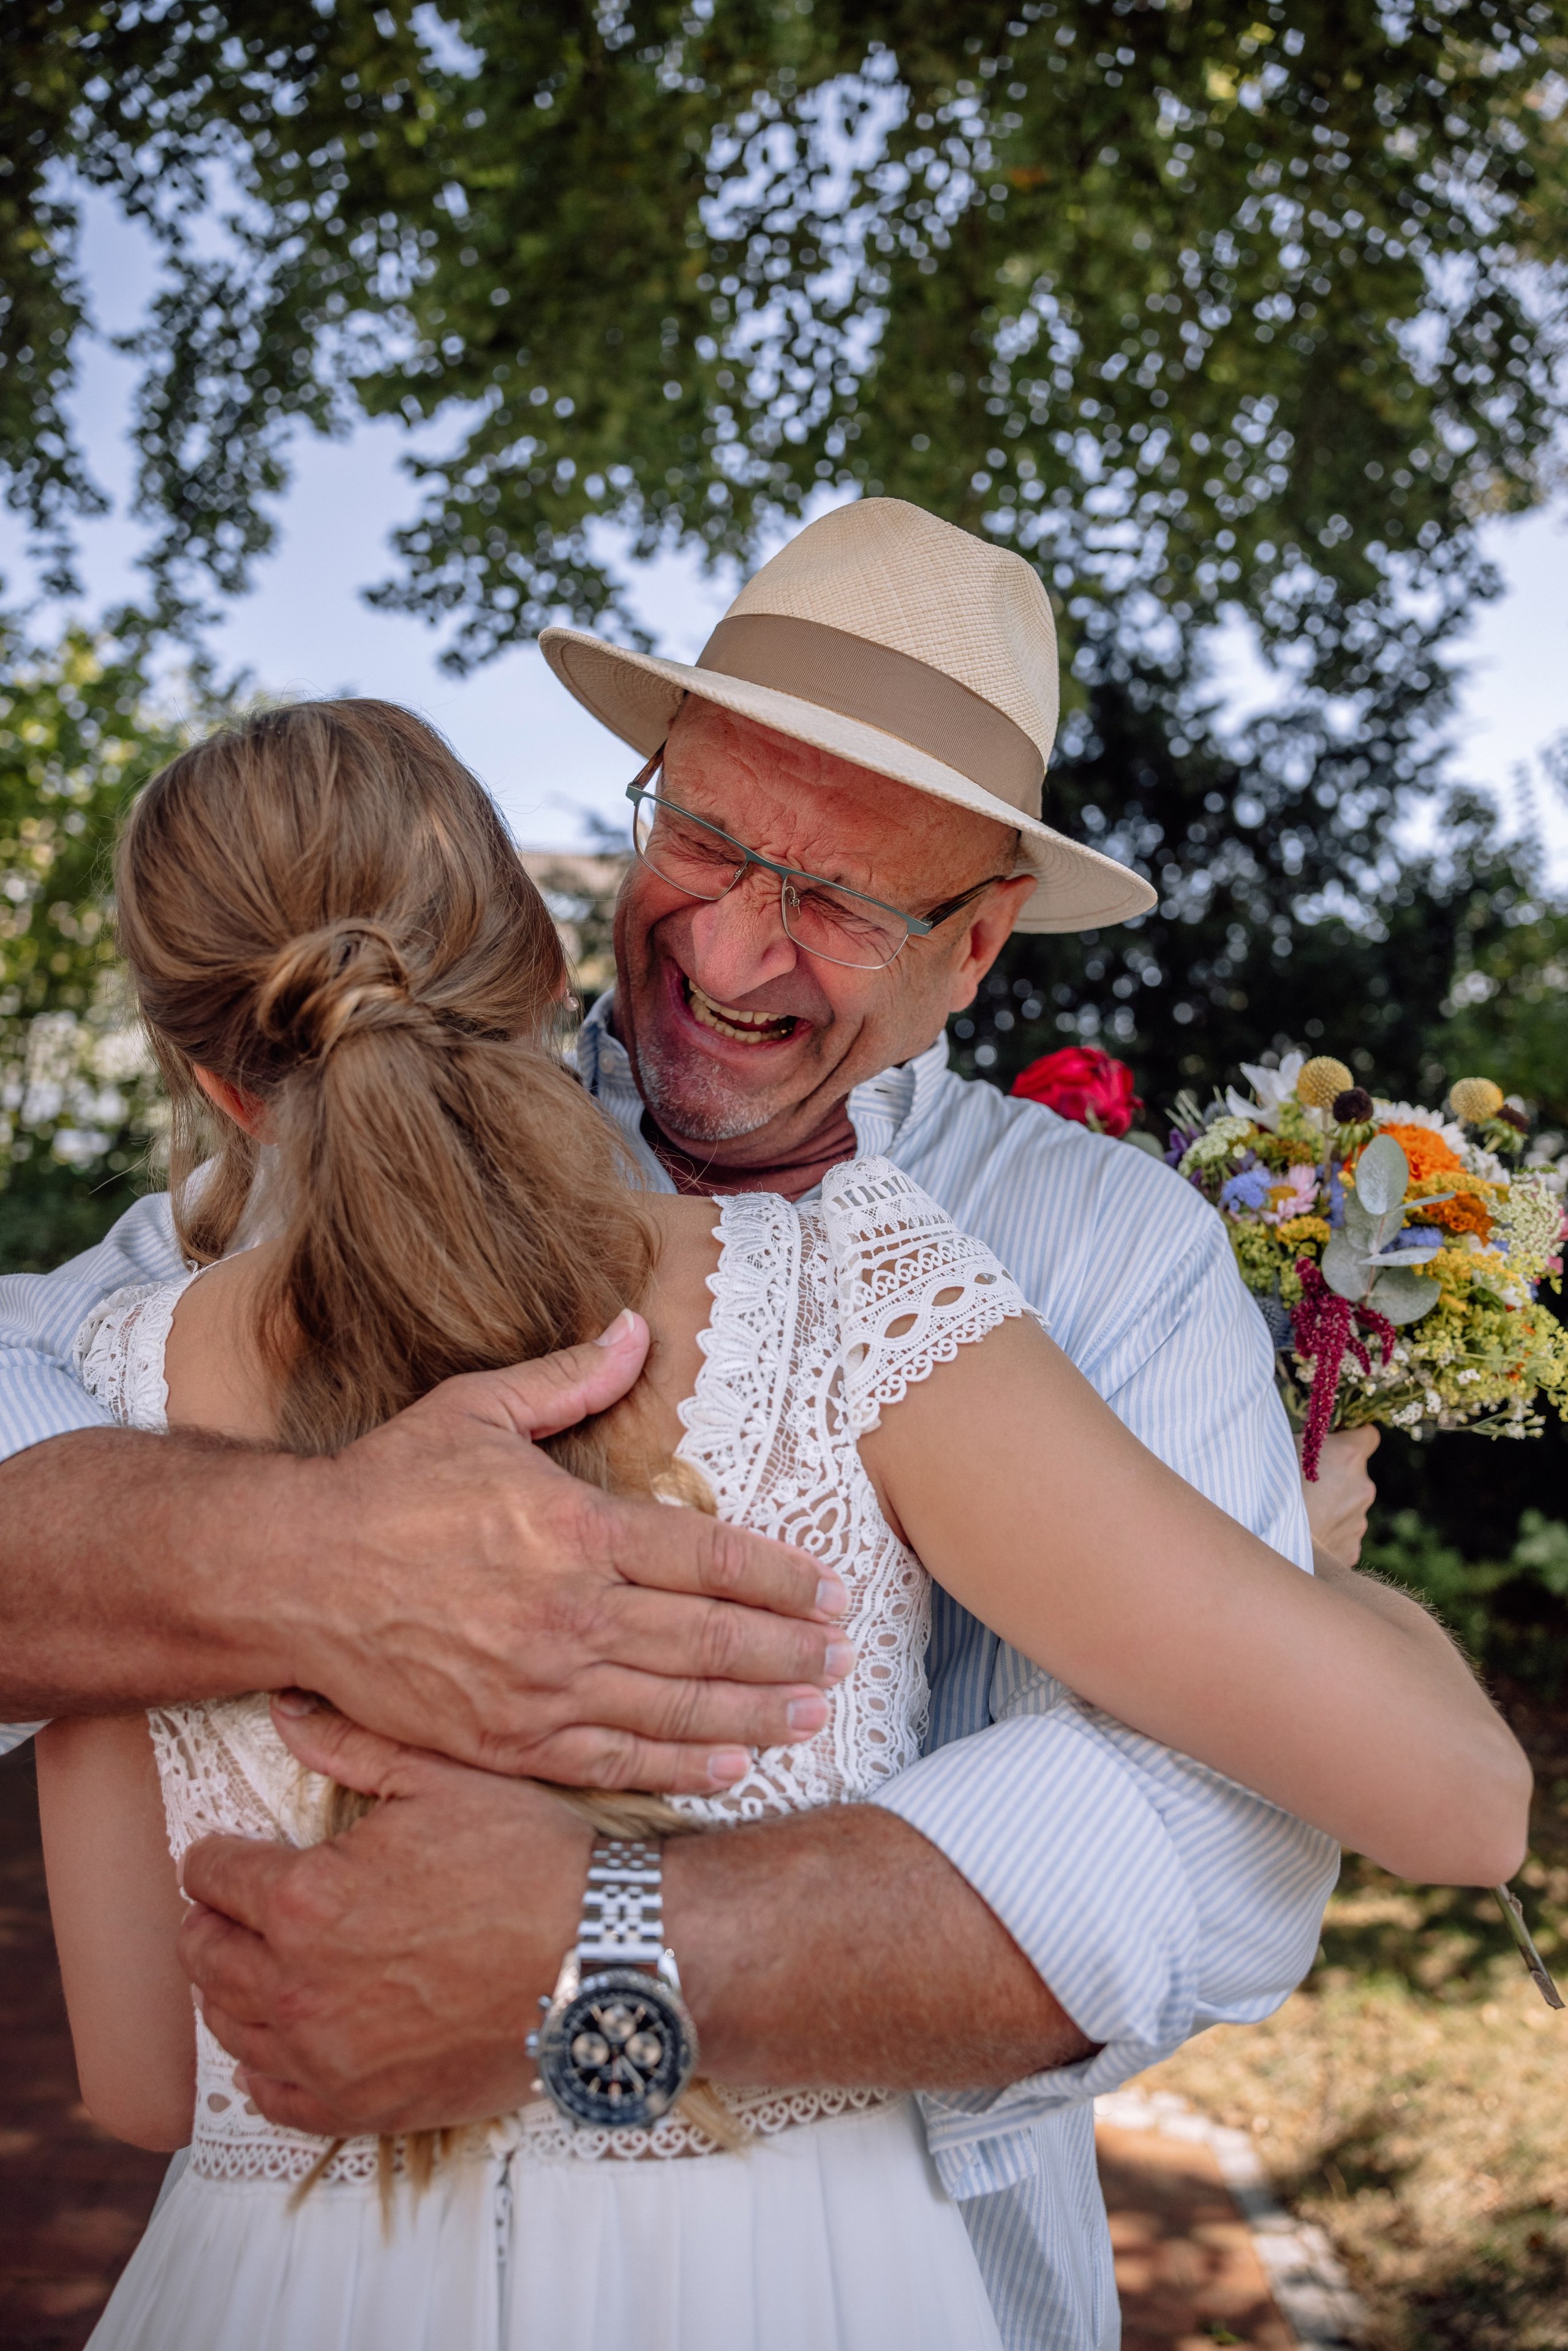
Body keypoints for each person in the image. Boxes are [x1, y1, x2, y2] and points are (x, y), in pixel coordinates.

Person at [0, 499, 1437, 2345]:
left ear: (980, 943)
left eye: (844, 903)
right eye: (707, 838)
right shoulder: (318, 1152)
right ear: (624, 810)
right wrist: (300, 1556)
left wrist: (611, 1952)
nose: (745, 955)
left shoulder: (1108, 1252)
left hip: (887, 2264)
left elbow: (1224, 1846)